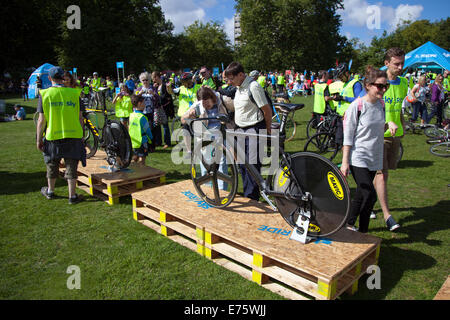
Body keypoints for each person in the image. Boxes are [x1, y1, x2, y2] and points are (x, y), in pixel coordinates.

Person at [341, 66, 398, 233]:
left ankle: (356, 227)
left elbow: (376, 126)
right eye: (379, 86)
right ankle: (357, 227)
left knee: (361, 195)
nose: (383, 89)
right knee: (369, 193)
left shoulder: (381, 104)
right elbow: (348, 136)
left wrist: (389, 124)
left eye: (385, 86)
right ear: (368, 85)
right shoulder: (357, 106)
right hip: (359, 157)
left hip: (375, 156)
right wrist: (345, 162)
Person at [36, 66, 85, 204]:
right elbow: (81, 117)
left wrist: (38, 139)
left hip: (53, 135)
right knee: (71, 165)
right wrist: (81, 134)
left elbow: (41, 120)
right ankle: (72, 196)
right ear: (63, 78)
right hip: (74, 133)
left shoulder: (45, 94)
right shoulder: (74, 93)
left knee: (52, 163)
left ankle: (50, 191)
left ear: (50, 78)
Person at [224, 62, 272, 201]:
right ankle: (249, 196)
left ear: (241, 75)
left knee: (252, 168)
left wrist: (267, 130)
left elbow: (266, 110)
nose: (230, 82)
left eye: (231, 78)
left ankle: (252, 199)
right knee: (242, 167)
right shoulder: (239, 87)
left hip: (254, 129)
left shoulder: (253, 86)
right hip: (241, 130)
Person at [371, 47, 407, 231]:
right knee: (381, 174)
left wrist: (402, 124)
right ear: (386, 63)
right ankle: (387, 215)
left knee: (384, 173)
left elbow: (399, 107)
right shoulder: (379, 83)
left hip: (395, 135)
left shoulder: (404, 83)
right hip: (379, 135)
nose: (401, 67)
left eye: (402, 63)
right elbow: (373, 107)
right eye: (396, 63)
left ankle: (367, 200)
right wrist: (386, 123)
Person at [181, 86, 235, 190]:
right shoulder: (198, 105)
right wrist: (189, 115)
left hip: (221, 137)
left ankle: (221, 192)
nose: (207, 106)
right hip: (204, 139)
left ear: (212, 97)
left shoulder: (221, 100)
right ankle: (208, 191)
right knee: (206, 166)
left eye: (208, 103)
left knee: (221, 166)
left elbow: (237, 107)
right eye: (204, 104)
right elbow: (183, 120)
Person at [135, 72, 164, 149]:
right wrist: (139, 94)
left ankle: (152, 146)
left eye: (146, 80)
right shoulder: (139, 89)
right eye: (143, 80)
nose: (145, 82)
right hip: (141, 113)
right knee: (143, 129)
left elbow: (158, 99)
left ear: (149, 80)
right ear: (141, 81)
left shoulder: (153, 88)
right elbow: (134, 100)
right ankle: (145, 145)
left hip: (151, 112)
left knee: (151, 129)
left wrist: (154, 94)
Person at [129, 94, 153, 165]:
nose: (145, 104)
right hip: (142, 141)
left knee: (135, 156)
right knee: (142, 159)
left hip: (133, 141)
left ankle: (132, 169)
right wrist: (151, 138)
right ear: (139, 103)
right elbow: (147, 130)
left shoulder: (131, 115)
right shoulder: (142, 117)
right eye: (144, 103)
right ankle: (141, 173)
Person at [152, 71, 174, 149]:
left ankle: (167, 142)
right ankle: (158, 141)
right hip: (157, 108)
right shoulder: (156, 86)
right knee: (157, 125)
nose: (153, 80)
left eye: (154, 78)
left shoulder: (165, 86)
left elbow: (166, 97)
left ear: (158, 77)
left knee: (165, 125)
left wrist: (155, 94)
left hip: (165, 108)